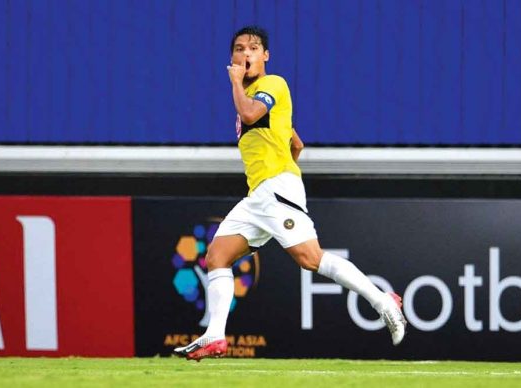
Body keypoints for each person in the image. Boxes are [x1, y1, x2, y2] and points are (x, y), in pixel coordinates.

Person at [174, 26, 406, 361]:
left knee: (310, 259)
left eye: (253, 48)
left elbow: (250, 113)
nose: (246, 54)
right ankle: (214, 336)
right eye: (239, 49)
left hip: (276, 188)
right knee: (216, 256)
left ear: (265, 56)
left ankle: (384, 301)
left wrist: (282, 180)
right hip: (259, 196)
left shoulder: (272, 84)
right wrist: (282, 171)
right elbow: (296, 143)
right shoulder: (251, 95)